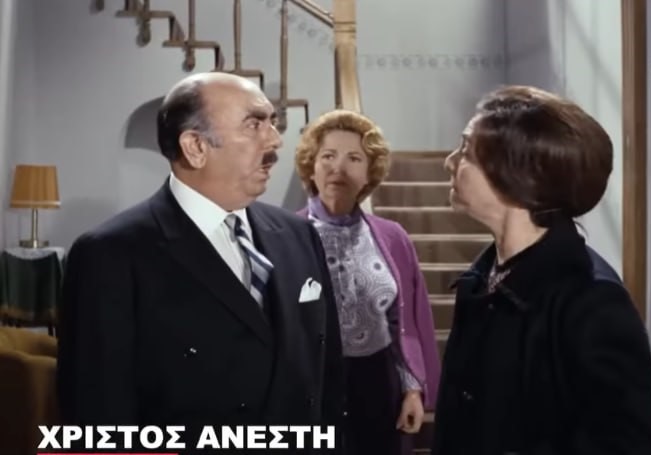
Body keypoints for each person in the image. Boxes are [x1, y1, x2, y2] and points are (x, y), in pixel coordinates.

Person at [56, 73, 345, 453]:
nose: (275, 140)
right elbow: (97, 417)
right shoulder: (110, 254)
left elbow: (329, 380)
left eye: (272, 122)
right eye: (254, 124)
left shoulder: (299, 235)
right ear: (195, 147)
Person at [431, 85, 651, 455]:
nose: (450, 161)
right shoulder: (481, 280)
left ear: (517, 175)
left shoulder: (591, 300)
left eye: (466, 151)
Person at [294, 109, 441, 455]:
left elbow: (407, 322)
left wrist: (412, 390)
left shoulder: (393, 237)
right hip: (312, 385)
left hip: (379, 383)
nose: (338, 168)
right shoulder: (286, 235)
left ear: (369, 173)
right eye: (328, 156)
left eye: (354, 158)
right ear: (311, 166)